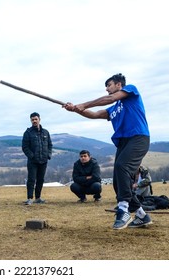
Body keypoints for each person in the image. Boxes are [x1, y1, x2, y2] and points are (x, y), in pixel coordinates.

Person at [63, 73, 152, 229]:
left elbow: (109, 98)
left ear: (119, 85)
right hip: (123, 142)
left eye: (109, 85)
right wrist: (76, 109)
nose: (106, 89)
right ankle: (141, 215)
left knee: (121, 167)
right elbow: (95, 114)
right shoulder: (114, 108)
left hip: (138, 137)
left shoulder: (131, 90)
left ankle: (123, 209)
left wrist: (84, 104)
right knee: (118, 181)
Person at [22, 112, 53, 205]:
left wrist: (48, 155)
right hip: (33, 162)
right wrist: (32, 156)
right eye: (32, 119)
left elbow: (50, 145)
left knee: (40, 179)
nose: (34, 121)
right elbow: (25, 147)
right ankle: (30, 198)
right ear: (30, 120)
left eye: (36, 119)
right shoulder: (28, 133)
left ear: (39, 119)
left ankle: (38, 197)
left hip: (43, 161)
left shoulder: (46, 132)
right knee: (31, 179)